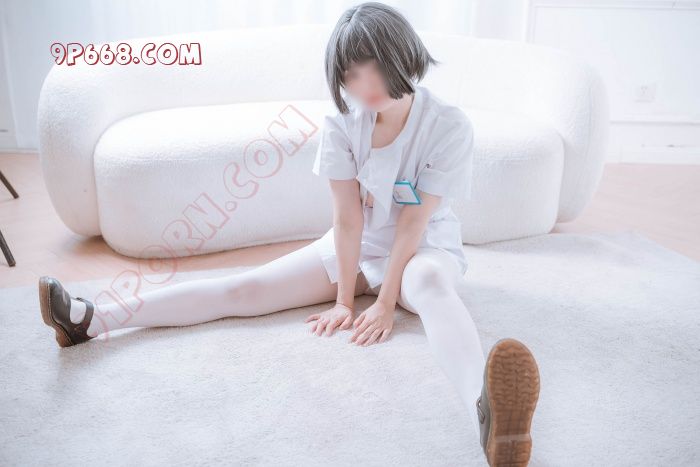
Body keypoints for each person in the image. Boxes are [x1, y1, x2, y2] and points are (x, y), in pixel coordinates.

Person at [37, 2, 540, 465]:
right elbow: (348, 220)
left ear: (400, 53)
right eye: (350, 74)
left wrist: (386, 302)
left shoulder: (447, 125)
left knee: (428, 285)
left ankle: (486, 415)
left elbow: (413, 222)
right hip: (360, 243)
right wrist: (344, 300)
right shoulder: (344, 124)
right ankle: (89, 319)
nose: (363, 84)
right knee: (244, 289)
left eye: (372, 66)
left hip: (424, 247)